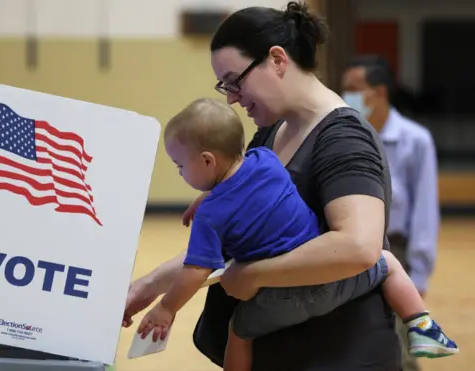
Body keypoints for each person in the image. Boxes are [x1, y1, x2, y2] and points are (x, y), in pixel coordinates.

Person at [122, 2, 400, 369]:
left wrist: (251, 275)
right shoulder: (270, 134)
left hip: (339, 354)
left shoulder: (343, 137)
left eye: (235, 81)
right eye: (224, 85)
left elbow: (358, 246)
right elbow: (227, 239)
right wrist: (147, 286)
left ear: (277, 60)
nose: (231, 98)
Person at [134, 97, 456, 371]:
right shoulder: (267, 160)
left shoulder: (210, 216)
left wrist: (167, 308)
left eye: (179, 165)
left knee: (239, 329)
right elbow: (241, 183)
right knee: (387, 261)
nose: (179, 172)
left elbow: (195, 271)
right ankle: (422, 325)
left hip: (282, 296)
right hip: (333, 277)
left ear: (207, 160)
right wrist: (210, 193)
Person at [342, 55, 442, 371]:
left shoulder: (415, 140)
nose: (348, 97)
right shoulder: (345, 134)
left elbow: (425, 209)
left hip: (395, 252)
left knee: (401, 342)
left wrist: (421, 270)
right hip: (349, 249)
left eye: (354, 89)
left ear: (380, 92)